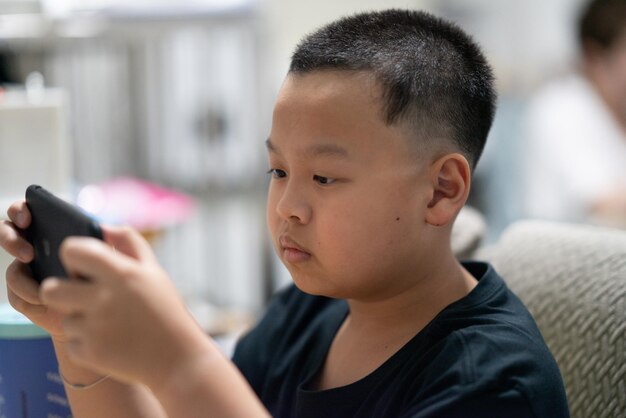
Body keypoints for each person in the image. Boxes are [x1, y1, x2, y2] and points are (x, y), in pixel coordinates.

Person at [0, 9, 569, 418]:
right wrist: (75, 337)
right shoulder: (307, 313)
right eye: (278, 171)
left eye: (323, 177)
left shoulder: (495, 385)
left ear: (441, 190)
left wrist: (181, 361)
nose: (288, 207)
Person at [523, 0, 626, 226]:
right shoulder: (561, 107)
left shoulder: (618, 111)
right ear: (595, 57)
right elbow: (602, 203)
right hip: (566, 251)